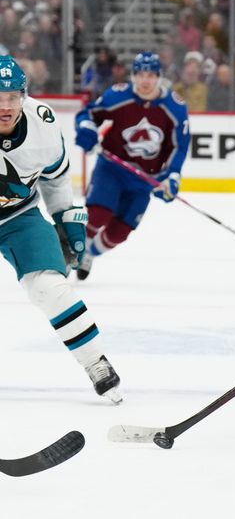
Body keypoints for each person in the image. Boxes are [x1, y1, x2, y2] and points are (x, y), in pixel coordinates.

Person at [0, 55, 122, 403]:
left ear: (23, 96)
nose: (5, 106)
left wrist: (63, 217)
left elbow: (54, 179)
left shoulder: (42, 124)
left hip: (18, 217)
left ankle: (96, 363)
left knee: (51, 288)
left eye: (11, 97)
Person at [73, 52, 190, 280]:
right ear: (133, 76)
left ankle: (90, 253)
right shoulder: (118, 96)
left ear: (159, 77)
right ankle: (75, 251)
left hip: (145, 178)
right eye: (141, 74)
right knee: (98, 215)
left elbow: (180, 146)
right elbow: (87, 114)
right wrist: (86, 127)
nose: (145, 81)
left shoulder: (174, 107)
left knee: (118, 234)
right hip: (113, 168)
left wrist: (172, 175)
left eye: (151, 75)